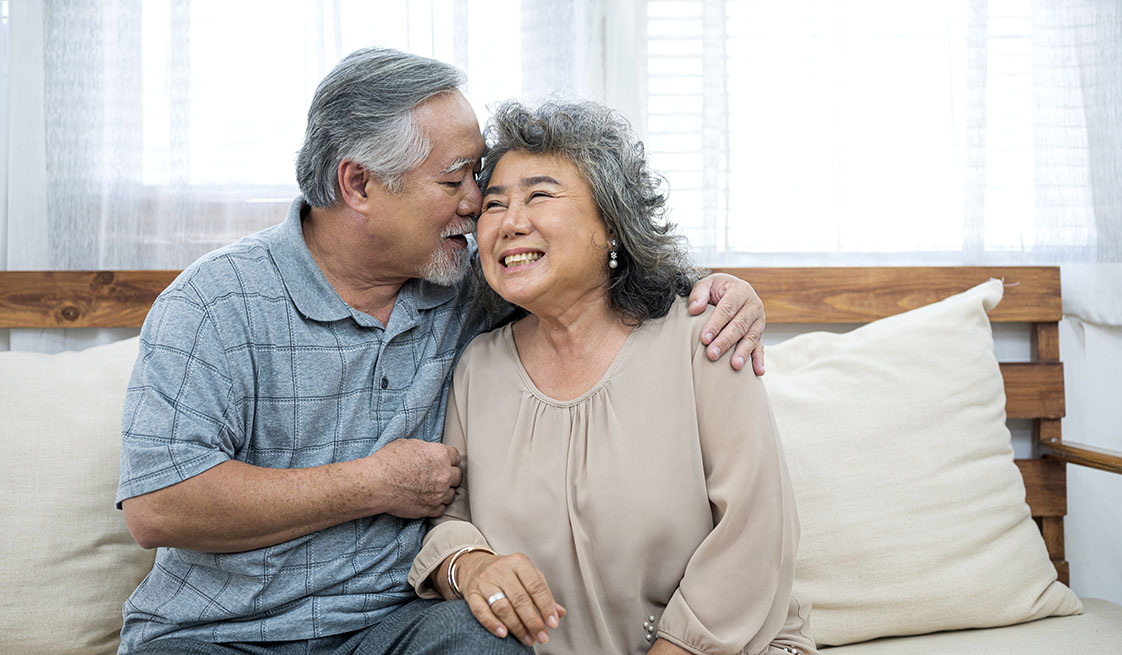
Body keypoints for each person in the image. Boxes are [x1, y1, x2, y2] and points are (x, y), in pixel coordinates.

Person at [115, 48, 767, 654]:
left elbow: (586, 274)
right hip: (218, 633)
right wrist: (373, 483)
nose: (477, 204)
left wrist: (722, 290)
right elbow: (158, 506)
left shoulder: (463, 288)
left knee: (482, 639)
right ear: (359, 184)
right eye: (457, 180)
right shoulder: (214, 303)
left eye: (476, 177)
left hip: (388, 627)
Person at [408, 100, 816, 655]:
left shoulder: (705, 336)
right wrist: (471, 564)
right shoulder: (478, 367)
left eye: (540, 195)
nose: (509, 223)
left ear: (612, 226)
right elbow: (450, 520)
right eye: (494, 205)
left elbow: (755, 527)